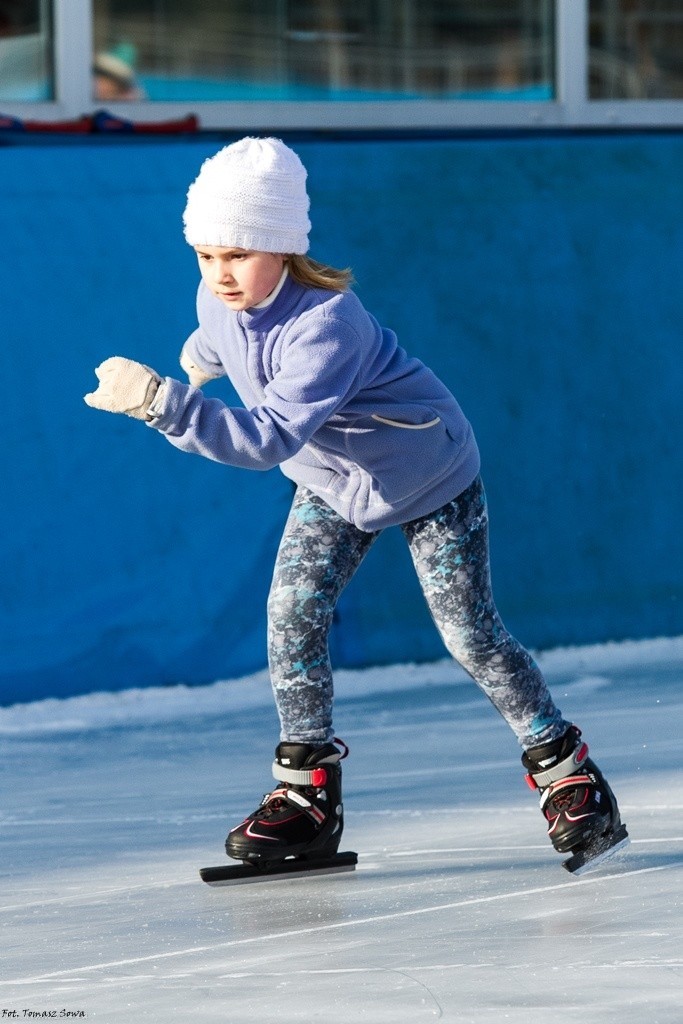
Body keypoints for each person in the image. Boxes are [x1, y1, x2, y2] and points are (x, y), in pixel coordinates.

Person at [84, 137, 627, 873]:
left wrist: (159, 402)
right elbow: (221, 338)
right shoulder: (218, 298)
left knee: (469, 634)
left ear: (279, 246)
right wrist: (197, 362)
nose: (220, 274)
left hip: (428, 472)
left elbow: (263, 439)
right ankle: (306, 799)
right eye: (206, 257)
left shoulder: (327, 323)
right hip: (333, 480)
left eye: (238, 255)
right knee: (290, 615)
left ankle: (569, 776)